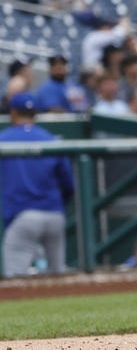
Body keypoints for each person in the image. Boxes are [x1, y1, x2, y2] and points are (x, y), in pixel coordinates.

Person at [0, 93, 75, 277]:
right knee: (58, 277)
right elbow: (69, 184)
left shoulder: (3, 139)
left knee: (15, 279)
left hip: (22, 217)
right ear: (34, 114)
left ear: (13, 113)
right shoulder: (51, 139)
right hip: (54, 214)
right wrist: (58, 205)